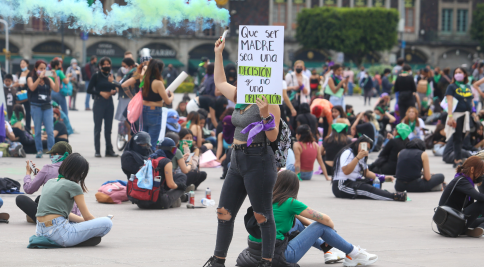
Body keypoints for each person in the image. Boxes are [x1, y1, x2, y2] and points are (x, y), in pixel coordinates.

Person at [203, 37, 281, 267]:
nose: (242, 79)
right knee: (223, 212)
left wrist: (266, 114)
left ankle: (266, 262)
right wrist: (218, 53)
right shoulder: (241, 95)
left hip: (259, 160)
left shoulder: (269, 99)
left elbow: (273, 137)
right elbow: (219, 82)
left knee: (262, 216)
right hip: (236, 160)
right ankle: (218, 260)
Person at [237, 170, 379, 266]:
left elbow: (297, 218)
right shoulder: (290, 202)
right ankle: (354, 254)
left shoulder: (266, 199)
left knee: (299, 223)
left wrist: (313, 231)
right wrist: (331, 233)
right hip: (280, 256)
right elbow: (325, 220)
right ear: (293, 188)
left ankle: (327, 249)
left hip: (256, 252)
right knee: (321, 226)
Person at [35, 153, 112, 247]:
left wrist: (83, 221)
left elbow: (58, 212)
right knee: (107, 222)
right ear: (79, 172)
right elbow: (87, 217)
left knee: (74, 223)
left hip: (40, 232)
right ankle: (75, 240)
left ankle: (76, 238)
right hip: (59, 233)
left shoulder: (50, 182)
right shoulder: (74, 186)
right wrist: (96, 222)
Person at [15, 142, 78, 223]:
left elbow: (29, 189)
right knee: (39, 198)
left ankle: (37, 218)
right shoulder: (75, 169)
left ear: (57, 154)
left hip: (52, 216)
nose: (51, 157)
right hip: (73, 214)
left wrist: (28, 173)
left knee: (20, 199)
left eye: (52, 154)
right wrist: (41, 175)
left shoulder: (48, 168)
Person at [331, 136, 407, 201]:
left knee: (374, 182)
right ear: (357, 144)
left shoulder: (361, 156)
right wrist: (357, 158)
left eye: (368, 148)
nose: (365, 149)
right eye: (363, 146)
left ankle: (383, 194)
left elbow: (366, 173)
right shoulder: (348, 153)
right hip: (342, 186)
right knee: (367, 189)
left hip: (353, 182)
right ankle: (393, 196)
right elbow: (346, 171)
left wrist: (383, 178)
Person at [437, 156, 484, 237]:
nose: (482, 175)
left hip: (452, 223)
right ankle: (474, 229)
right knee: (482, 204)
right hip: (448, 225)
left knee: (483, 219)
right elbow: (479, 197)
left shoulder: (465, 181)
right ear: (472, 169)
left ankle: (479, 228)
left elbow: (471, 208)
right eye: (481, 172)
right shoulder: (462, 181)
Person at [135, 138, 188, 209]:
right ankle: (177, 199)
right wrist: (180, 186)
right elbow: (170, 185)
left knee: (180, 176)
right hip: (159, 203)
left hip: (142, 202)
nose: (174, 152)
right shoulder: (167, 162)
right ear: (169, 150)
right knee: (182, 183)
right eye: (173, 150)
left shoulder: (150, 158)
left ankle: (178, 198)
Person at [86, 57, 120, 158]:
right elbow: (89, 90)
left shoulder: (111, 76)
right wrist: (100, 93)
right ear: (100, 65)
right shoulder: (96, 76)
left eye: (108, 64)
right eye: (104, 64)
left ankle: (109, 150)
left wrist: (113, 90)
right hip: (98, 102)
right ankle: (97, 151)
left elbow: (115, 89)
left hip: (109, 103)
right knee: (98, 128)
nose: (106, 66)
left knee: (108, 129)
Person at [27, 60, 59, 158]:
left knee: (49, 130)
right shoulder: (30, 78)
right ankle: (39, 150)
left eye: (45, 68)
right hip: (36, 106)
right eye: (41, 68)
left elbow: (56, 89)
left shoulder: (48, 80)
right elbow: (32, 88)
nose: (43, 70)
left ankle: (51, 151)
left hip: (47, 106)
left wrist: (55, 78)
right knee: (37, 131)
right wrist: (39, 78)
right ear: (36, 69)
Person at [445, 67, 474, 168]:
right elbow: (449, 102)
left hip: (467, 115)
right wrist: (450, 116)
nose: (457, 74)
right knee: (457, 138)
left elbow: (471, 101)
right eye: (456, 72)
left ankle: (458, 157)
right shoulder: (452, 87)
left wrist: (473, 113)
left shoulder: (468, 86)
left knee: (462, 138)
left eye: (460, 72)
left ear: (465, 74)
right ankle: (457, 160)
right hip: (456, 115)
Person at [14, 59, 33, 132]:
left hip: (27, 95)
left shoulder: (30, 73)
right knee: (17, 108)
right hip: (20, 95)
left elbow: (29, 84)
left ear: (27, 64)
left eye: (23, 63)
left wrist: (20, 84)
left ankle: (28, 127)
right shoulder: (20, 73)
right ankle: (17, 124)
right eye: (21, 63)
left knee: (28, 111)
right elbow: (18, 84)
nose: (22, 65)